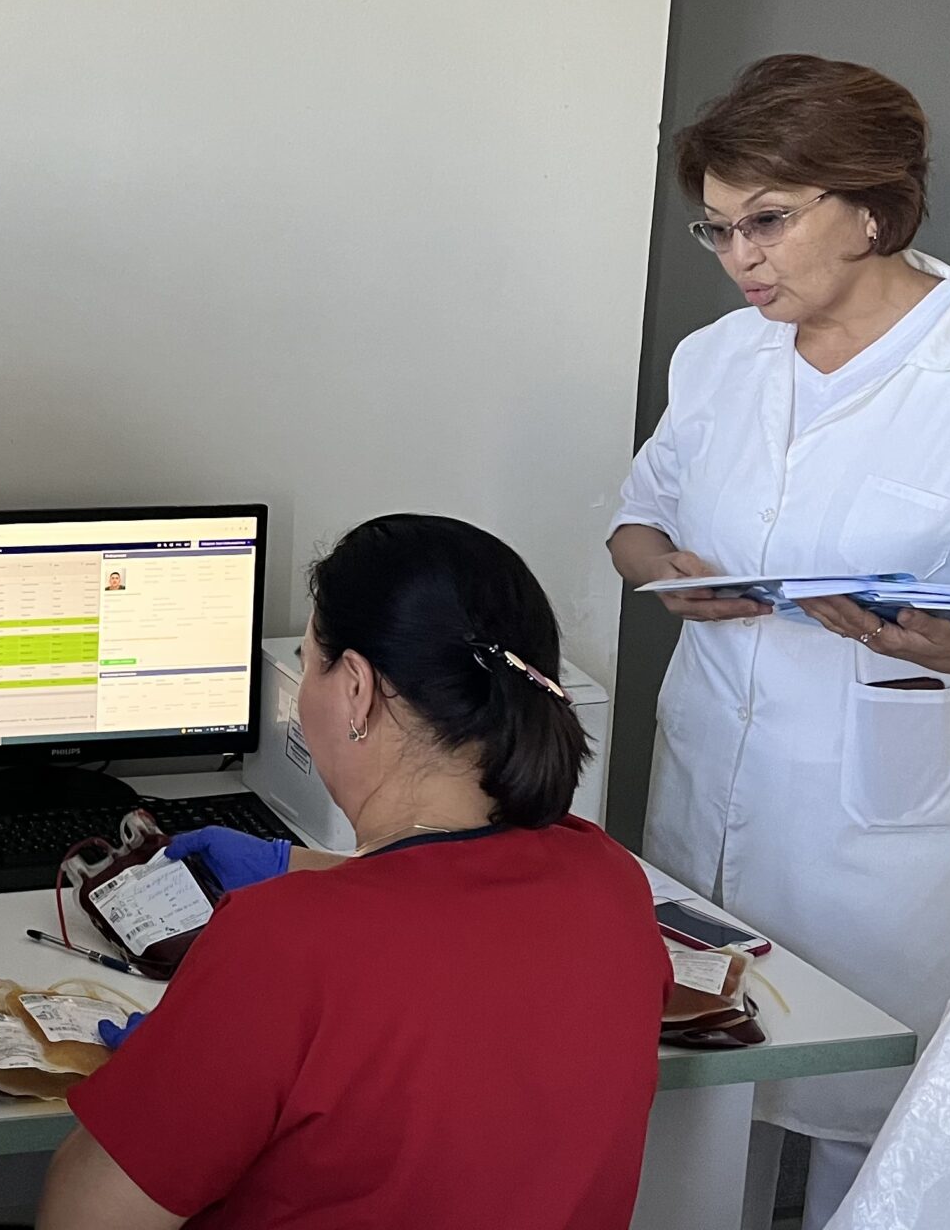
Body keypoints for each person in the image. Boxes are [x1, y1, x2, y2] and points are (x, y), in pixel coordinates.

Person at [609, 53, 950, 1225]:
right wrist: (661, 575)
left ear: (870, 207)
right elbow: (638, 517)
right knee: (703, 1102)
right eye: (716, 229)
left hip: (896, 836)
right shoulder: (719, 358)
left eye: (767, 221)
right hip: (711, 786)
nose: (738, 257)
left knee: (887, 1132)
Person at [37, 514, 669, 1230]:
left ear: (358, 689)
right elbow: (463, 936)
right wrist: (296, 864)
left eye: (310, 661)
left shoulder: (283, 946)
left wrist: (157, 1081)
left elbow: (78, 1220)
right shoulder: (612, 883)